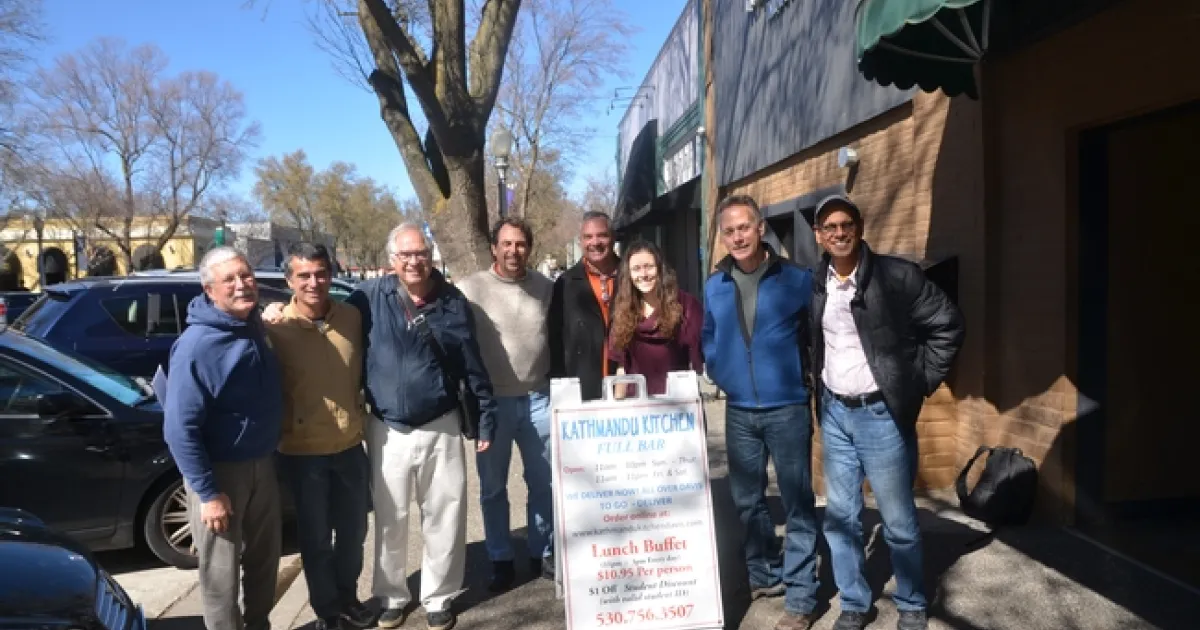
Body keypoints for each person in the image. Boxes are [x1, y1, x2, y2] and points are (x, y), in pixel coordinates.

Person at [810, 195, 964, 630]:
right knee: (841, 519)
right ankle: (854, 603)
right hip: (835, 413)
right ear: (818, 235)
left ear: (860, 227)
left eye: (846, 224)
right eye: (829, 227)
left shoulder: (898, 276)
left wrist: (919, 381)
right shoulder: (816, 281)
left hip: (881, 416)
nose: (839, 233)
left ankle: (912, 602)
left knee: (897, 520)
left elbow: (947, 325)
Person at [349, 222, 497, 630]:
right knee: (390, 518)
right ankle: (391, 595)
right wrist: (278, 310)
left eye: (421, 253)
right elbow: (324, 317)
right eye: (406, 254)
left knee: (445, 514)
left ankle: (439, 596)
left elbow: (472, 363)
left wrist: (485, 418)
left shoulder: (452, 301)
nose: (414, 261)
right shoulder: (368, 297)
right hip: (387, 427)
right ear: (392, 260)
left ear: (431, 258)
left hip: (441, 423)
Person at [701, 195, 820, 630]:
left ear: (760, 228)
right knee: (748, 501)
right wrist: (721, 371)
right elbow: (709, 335)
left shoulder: (796, 279)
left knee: (797, 502)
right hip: (739, 409)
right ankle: (766, 574)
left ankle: (802, 597)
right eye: (729, 231)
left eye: (744, 228)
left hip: (787, 407)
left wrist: (806, 382)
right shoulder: (716, 283)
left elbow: (817, 335)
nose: (737, 237)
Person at [163, 247, 283, 630]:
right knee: (221, 575)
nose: (241, 285)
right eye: (229, 279)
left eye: (245, 276)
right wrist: (209, 494)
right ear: (209, 290)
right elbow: (179, 427)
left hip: (262, 464)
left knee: (265, 561)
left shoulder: (251, 325)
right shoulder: (197, 346)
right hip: (220, 475)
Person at [265, 243, 373, 630]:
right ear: (289, 281)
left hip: (350, 447)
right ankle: (327, 611)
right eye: (304, 276)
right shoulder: (276, 327)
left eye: (321, 273)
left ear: (331, 274)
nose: (314, 282)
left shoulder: (352, 317)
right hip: (302, 453)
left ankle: (348, 598)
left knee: (354, 533)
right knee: (315, 540)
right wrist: (266, 313)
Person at [457, 218, 556, 592]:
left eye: (520, 244)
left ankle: (542, 551)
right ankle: (499, 557)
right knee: (493, 487)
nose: (514, 250)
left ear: (529, 248)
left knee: (543, 482)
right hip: (492, 405)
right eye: (507, 244)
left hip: (539, 398)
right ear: (494, 248)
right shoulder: (470, 289)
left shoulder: (546, 288)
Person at [606, 240, 703, 397]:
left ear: (660, 269)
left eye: (649, 267)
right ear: (628, 274)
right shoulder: (622, 310)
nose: (643, 274)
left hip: (677, 401)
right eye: (636, 269)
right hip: (637, 403)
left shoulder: (686, 305)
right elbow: (622, 367)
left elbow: (697, 360)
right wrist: (618, 404)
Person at [549, 211, 620, 400]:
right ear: (580, 241)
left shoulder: (631, 276)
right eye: (588, 237)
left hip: (628, 383)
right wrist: (561, 388)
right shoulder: (565, 283)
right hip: (582, 388)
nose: (595, 242)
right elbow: (555, 340)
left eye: (602, 235)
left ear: (613, 238)